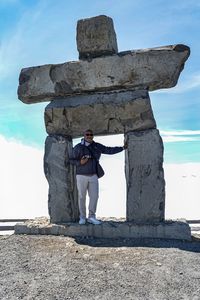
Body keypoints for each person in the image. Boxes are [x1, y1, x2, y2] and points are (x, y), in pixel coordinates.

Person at [70, 129, 128, 225]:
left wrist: (122, 148)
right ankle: (82, 217)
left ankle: (91, 217)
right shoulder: (78, 147)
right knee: (81, 197)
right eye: (87, 134)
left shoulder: (97, 146)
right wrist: (80, 162)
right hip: (81, 175)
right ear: (84, 136)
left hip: (93, 175)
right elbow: (70, 160)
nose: (89, 136)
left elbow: (109, 150)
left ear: (93, 136)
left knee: (94, 196)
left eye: (91, 134)